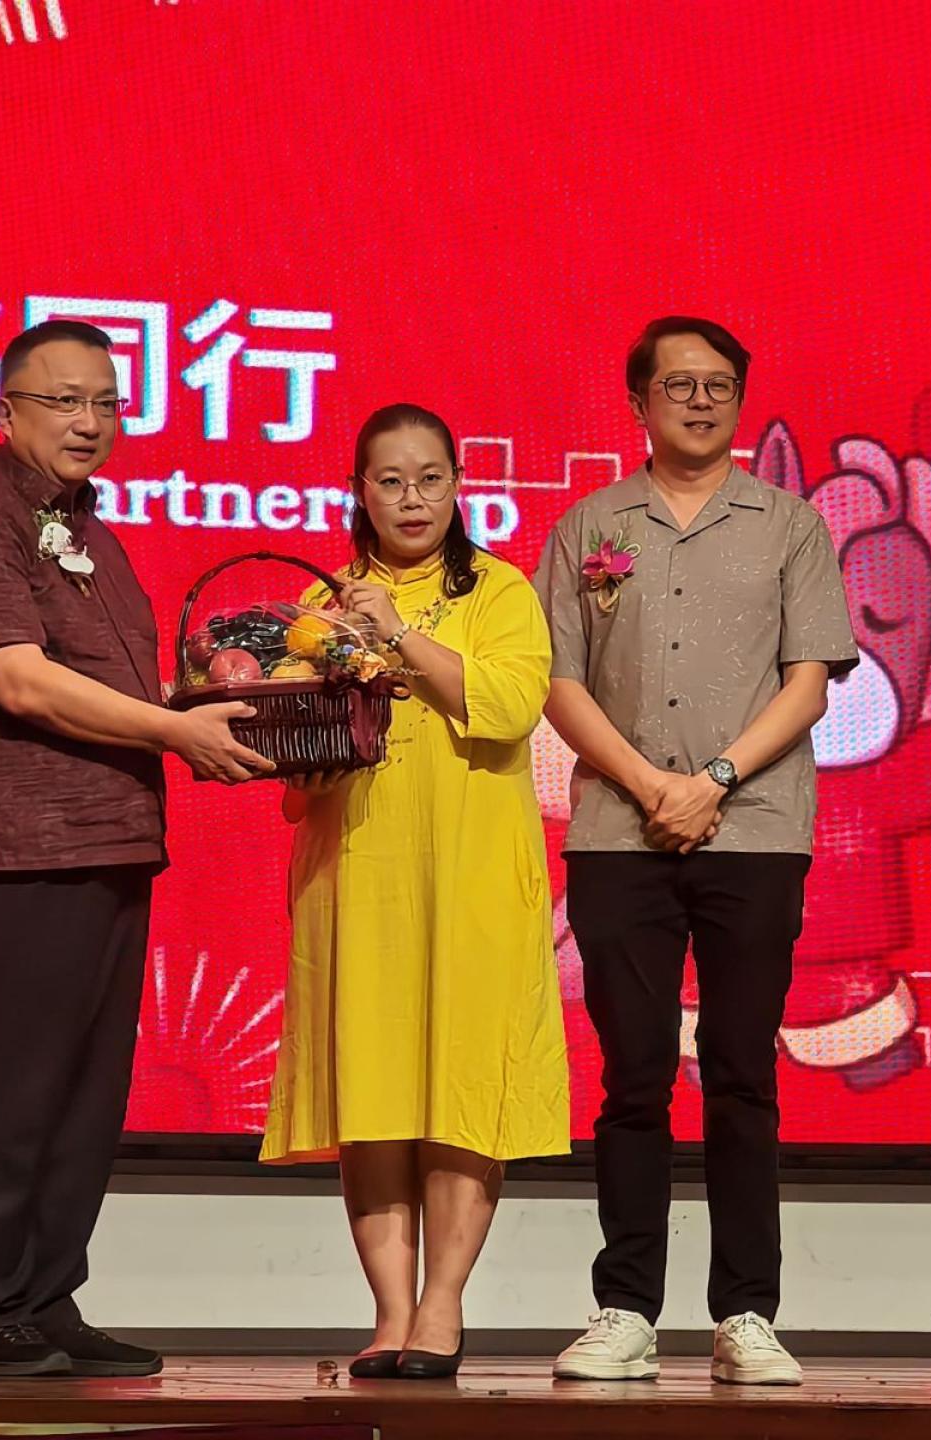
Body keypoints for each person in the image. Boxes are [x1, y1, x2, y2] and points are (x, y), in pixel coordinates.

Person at [0, 320, 272, 1379]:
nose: (88, 421)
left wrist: (221, 702)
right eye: (63, 400)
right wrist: (175, 733)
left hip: (108, 841)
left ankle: (44, 1295)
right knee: (11, 1091)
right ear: (5, 410)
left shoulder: (90, 531)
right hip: (16, 852)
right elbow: (19, 681)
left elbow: (116, 692)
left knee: (84, 1096)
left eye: (106, 402)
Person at [533, 318, 856, 1386]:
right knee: (632, 1076)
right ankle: (626, 1307)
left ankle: (745, 1313)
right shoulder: (589, 525)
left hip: (753, 833)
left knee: (740, 1073)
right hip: (618, 836)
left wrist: (711, 781)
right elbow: (559, 683)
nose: (702, 401)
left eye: (720, 385)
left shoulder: (790, 526)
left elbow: (809, 683)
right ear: (639, 402)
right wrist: (648, 785)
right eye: (680, 384)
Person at [262, 403, 570, 1382]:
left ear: (459, 486)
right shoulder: (320, 607)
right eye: (390, 481)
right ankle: (392, 1313)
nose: (412, 499)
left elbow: (510, 707)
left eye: (431, 479)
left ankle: (443, 1306)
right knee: (375, 1088)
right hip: (359, 870)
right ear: (359, 490)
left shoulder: (501, 590)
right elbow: (294, 748)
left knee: (462, 1086)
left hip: (472, 872)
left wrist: (397, 635)